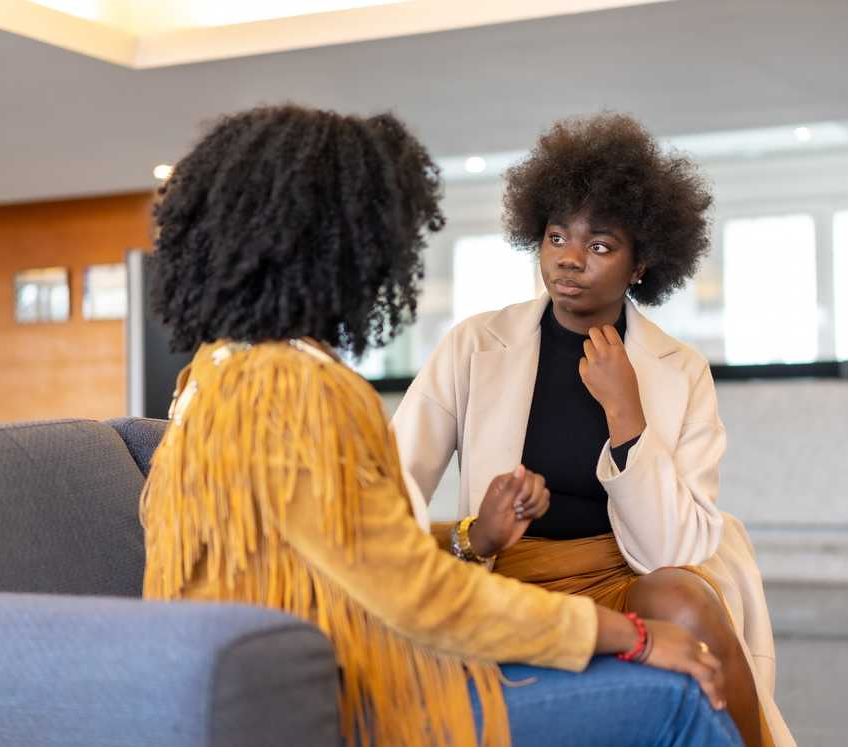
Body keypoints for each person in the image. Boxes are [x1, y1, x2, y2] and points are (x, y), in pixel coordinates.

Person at [140, 104, 743, 747]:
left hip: (240, 682)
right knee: (679, 700)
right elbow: (413, 591)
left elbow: (355, 541)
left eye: (597, 244)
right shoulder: (307, 390)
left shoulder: (210, 375)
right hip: (341, 693)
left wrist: (470, 538)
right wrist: (635, 637)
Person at [393, 114, 794, 747]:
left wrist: (627, 416)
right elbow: (390, 488)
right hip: (506, 577)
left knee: (685, 600)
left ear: (642, 265)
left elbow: (671, 553)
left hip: (624, 581)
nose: (570, 259)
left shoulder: (679, 370)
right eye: (556, 237)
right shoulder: (475, 345)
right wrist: (475, 535)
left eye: (600, 245)